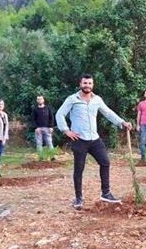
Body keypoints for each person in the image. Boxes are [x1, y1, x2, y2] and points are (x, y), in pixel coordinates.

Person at [56, 74, 132, 209]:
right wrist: (66, 130)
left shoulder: (97, 99)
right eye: (85, 83)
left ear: (93, 85)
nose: (87, 86)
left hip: (94, 138)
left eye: (90, 83)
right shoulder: (72, 99)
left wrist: (122, 123)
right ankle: (78, 198)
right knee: (79, 169)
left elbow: (108, 113)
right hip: (79, 139)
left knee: (105, 162)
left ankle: (105, 193)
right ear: (80, 84)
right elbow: (60, 114)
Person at [31, 95, 55, 161]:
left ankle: (52, 157)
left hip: (47, 128)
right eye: (38, 99)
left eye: (40, 99)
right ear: (37, 100)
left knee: (49, 143)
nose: (39, 100)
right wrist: (36, 128)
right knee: (39, 143)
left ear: (43, 100)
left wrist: (51, 127)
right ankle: (40, 157)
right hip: (38, 129)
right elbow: (33, 119)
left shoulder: (48, 108)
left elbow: (51, 118)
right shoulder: (35, 109)